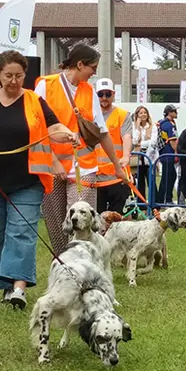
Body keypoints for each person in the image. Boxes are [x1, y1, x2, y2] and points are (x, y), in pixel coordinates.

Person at [0, 50, 77, 309]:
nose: (14, 81)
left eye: (19, 76)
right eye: (8, 76)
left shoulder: (35, 101)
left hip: (28, 181)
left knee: (22, 232)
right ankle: (4, 286)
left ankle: (18, 289)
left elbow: (54, 127)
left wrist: (66, 133)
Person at [34, 43, 125, 254]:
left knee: (82, 218)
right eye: (93, 67)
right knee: (58, 224)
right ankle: (63, 263)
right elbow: (36, 128)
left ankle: (84, 260)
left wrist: (116, 165)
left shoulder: (89, 90)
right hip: (52, 166)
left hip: (83, 167)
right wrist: (54, 162)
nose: (95, 72)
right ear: (80, 64)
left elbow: (101, 131)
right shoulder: (45, 86)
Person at [94, 78, 132, 214]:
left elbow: (127, 136)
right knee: (97, 217)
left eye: (108, 94)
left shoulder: (122, 115)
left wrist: (126, 155)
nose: (104, 98)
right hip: (95, 175)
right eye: (101, 94)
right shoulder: (89, 114)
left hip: (117, 174)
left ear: (113, 94)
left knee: (117, 216)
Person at [157, 104, 178, 204]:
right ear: (170, 112)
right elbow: (172, 141)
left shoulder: (163, 123)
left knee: (171, 175)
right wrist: (176, 152)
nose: (176, 113)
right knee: (167, 177)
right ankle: (162, 199)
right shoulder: (169, 124)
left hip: (165, 153)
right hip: (168, 153)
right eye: (174, 111)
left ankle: (167, 198)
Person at [131, 105, 154, 198]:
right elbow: (134, 141)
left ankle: (153, 203)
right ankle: (141, 203)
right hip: (138, 159)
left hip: (150, 158)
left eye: (145, 112)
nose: (143, 115)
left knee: (151, 182)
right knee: (139, 182)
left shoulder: (153, 127)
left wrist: (142, 144)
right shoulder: (134, 127)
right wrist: (137, 127)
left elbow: (153, 142)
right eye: (141, 113)